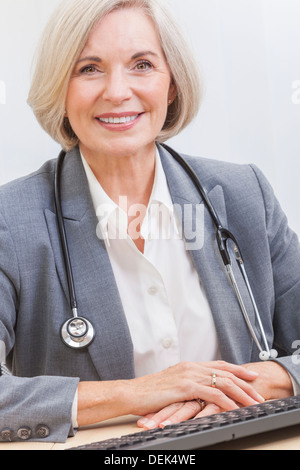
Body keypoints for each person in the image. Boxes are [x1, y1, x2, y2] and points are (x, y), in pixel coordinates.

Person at [0, 0, 299, 444]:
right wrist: (142, 393)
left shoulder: (243, 194)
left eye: (142, 64)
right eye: (89, 68)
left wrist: (246, 381)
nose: (118, 91)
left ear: (172, 84)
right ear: (58, 88)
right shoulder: (11, 220)